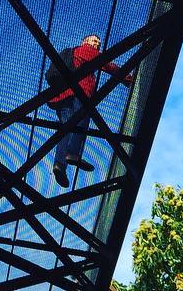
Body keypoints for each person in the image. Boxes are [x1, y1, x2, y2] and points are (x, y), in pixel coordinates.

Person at [46, 34, 131, 188]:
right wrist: (127, 78)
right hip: (79, 93)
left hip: (62, 97)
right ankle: (72, 153)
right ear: (85, 41)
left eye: (98, 42)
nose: (97, 44)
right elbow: (106, 63)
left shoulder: (73, 55)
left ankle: (59, 164)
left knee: (66, 129)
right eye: (94, 41)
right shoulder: (84, 50)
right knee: (81, 121)